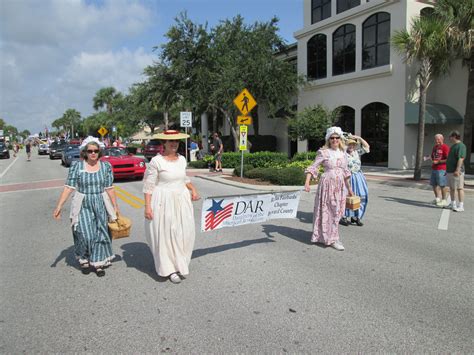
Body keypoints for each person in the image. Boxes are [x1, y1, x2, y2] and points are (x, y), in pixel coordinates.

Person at [53, 136, 119, 276]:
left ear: (99, 151)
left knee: (100, 233)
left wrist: (115, 207)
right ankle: (83, 258)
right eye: (90, 151)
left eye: (96, 150)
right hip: (83, 203)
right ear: (85, 152)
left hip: (100, 202)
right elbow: (69, 187)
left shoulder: (106, 166)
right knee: (83, 233)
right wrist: (59, 206)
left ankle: (98, 262)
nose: (93, 153)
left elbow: (109, 188)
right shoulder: (77, 166)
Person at [143, 130, 200, 283]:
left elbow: (184, 178)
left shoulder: (182, 159)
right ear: (164, 144)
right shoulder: (156, 161)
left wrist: (192, 189)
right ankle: (169, 268)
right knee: (166, 234)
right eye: (170, 141)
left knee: (183, 233)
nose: (174, 144)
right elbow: (149, 186)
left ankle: (180, 263)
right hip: (163, 200)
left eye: (176, 141)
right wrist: (147, 207)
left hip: (181, 200)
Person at [304, 126, 354, 251]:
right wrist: (307, 183)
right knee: (327, 211)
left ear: (340, 139)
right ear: (328, 139)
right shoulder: (323, 152)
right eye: (332, 137)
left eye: (337, 137)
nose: (335, 140)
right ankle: (331, 238)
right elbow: (313, 167)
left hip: (340, 186)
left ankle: (332, 237)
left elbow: (346, 173)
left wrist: (350, 189)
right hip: (327, 185)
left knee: (337, 212)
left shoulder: (343, 154)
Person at [340, 134, 370, 226]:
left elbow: (367, 147)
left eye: (353, 144)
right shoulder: (342, 154)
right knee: (346, 196)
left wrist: (359, 138)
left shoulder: (357, 152)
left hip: (358, 177)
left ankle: (355, 217)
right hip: (347, 177)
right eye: (349, 144)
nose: (351, 146)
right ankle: (344, 216)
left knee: (360, 196)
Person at [446, 130, 466, 212]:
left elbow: (461, 158)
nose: (449, 138)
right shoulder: (453, 146)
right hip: (450, 171)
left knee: (459, 188)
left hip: (456, 171)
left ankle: (461, 205)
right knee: (452, 188)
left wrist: (457, 170)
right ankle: (453, 204)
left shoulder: (461, 146)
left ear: (454, 136)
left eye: (450, 136)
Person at [429, 134, 450, 207]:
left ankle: (444, 200)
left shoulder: (445, 147)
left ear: (442, 139)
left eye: (438, 139)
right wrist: (430, 158)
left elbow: (448, 159)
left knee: (442, 185)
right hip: (434, 168)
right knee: (434, 184)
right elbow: (432, 156)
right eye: (435, 139)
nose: (436, 141)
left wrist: (438, 162)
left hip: (442, 169)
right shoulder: (435, 147)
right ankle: (437, 199)